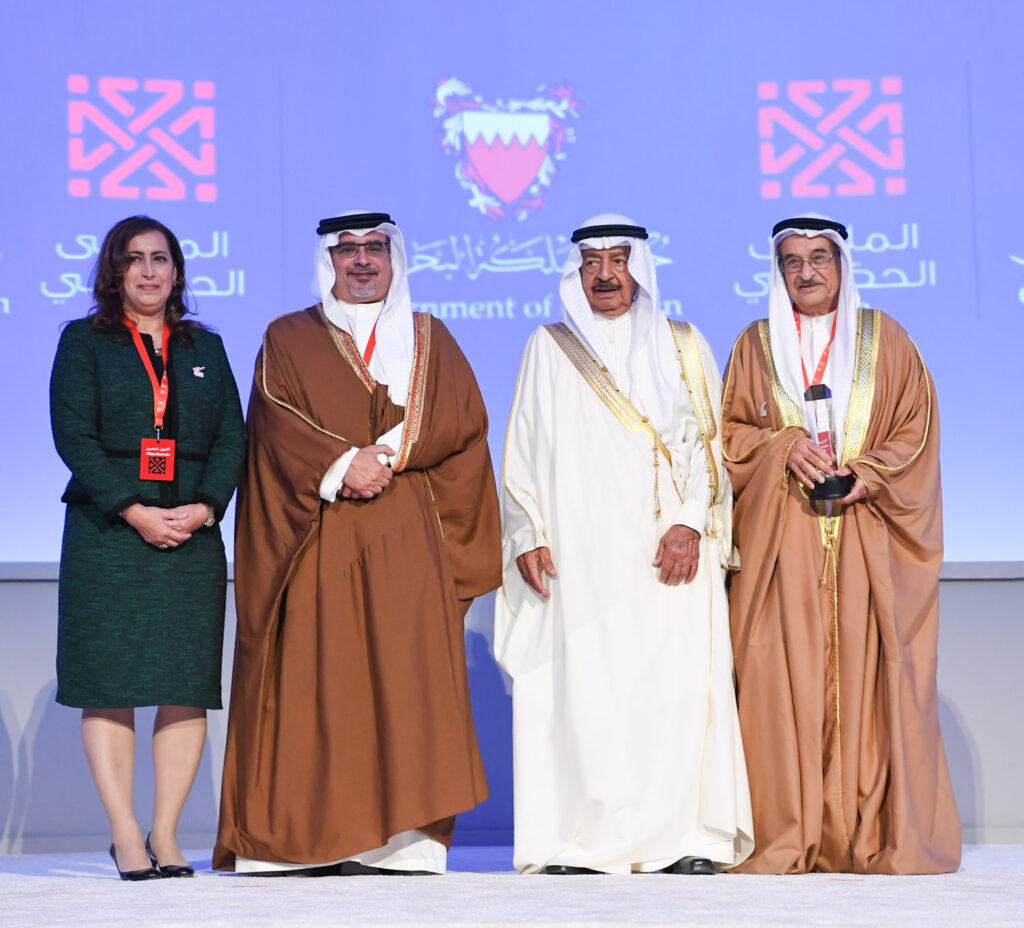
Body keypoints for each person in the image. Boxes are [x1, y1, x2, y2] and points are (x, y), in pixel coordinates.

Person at [214, 212, 501, 876]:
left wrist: (386, 456)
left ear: (394, 258)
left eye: (375, 248)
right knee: (318, 684)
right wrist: (343, 464)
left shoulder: (431, 336)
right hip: (320, 538)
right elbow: (274, 425)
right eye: (348, 251)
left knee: (408, 685)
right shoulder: (288, 337)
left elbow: (462, 422)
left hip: (408, 539)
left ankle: (402, 844)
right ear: (330, 261)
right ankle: (301, 840)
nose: (363, 261)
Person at [494, 214, 753, 875]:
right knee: (586, 695)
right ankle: (582, 842)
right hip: (579, 557)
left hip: (668, 554)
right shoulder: (549, 347)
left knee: (675, 692)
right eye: (592, 263)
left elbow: (709, 444)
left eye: (618, 260)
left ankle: (686, 839)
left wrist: (690, 524)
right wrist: (527, 534)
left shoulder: (683, 342)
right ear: (576, 272)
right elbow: (521, 450)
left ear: (640, 267)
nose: (605, 275)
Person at [721, 215, 961, 874]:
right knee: (778, 682)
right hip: (785, 542)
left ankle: (864, 835)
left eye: (819, 258)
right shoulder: (754, 344)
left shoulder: (887, 339)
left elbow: (915, 427)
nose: (806, 273)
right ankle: (788, 832)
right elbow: (728, 434)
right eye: (792, 262)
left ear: (842, 265)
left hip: (864, 538)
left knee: (870, 682)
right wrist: (782, 446)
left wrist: (870, 474)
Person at [49, 215, 246, 880]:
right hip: (109, 533)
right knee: (109, 682)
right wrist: (134, 511)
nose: (149, 270)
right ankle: (125, 833)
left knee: (185, 683)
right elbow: (73, 435)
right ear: (114, 271)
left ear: (176, 271)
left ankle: (165, 832)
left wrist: (207, 506)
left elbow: (233, 438)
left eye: (160, 258)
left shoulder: (204, 346)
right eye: (134, 259)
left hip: (192, 533)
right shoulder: (84, 341)